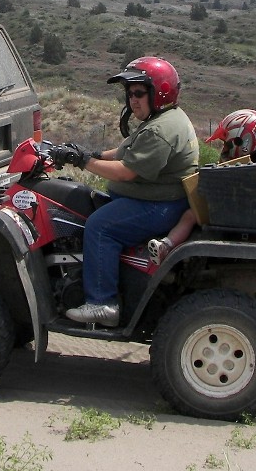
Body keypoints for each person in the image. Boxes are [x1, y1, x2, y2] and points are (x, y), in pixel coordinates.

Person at [50, 57, 199, 327]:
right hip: (159, 198)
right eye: (130, 94)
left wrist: (84, 162)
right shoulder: (164, 117)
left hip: (159, 206)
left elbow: (125, 171)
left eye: (139, 93)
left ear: (160, 92)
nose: (133, 100)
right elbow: (124, 152)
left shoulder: (160, 130)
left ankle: (102, 303)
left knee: (100, 226)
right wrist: (88, 153)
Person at [147, 108, 256, 263]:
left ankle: (167, 245)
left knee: (190, 215)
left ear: (244, 143)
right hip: (248, 209)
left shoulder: (245, 166)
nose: (224, 148)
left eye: (227, 144)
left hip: (234, 210)